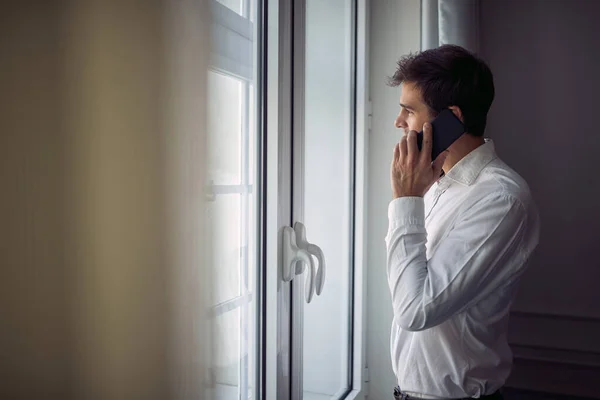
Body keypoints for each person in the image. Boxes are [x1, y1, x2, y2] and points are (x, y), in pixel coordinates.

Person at [386, 44, 540, 400]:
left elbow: (415, 310)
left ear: (451, 117)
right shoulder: (433, 184)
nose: (399, 123)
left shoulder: (500, 198)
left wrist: (405, 200)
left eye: (408, 111)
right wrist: (412, 196)